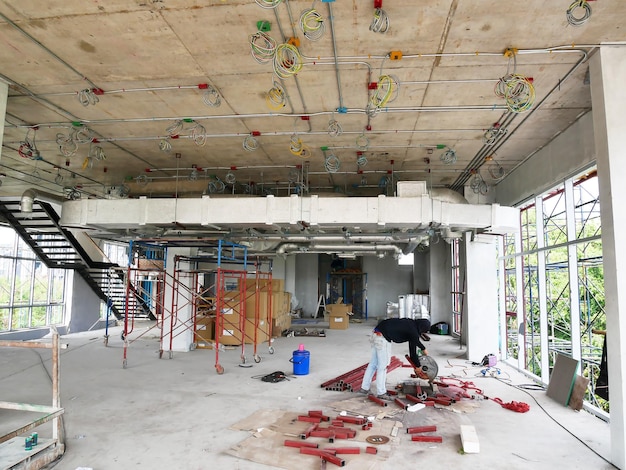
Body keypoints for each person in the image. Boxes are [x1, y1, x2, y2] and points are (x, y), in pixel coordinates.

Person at [357, 318, 431, 399]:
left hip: (375, 333)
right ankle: (381, 393)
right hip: (383, 338)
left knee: (373, 364)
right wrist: (418, 365)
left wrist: (422, 350)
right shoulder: (413, 332)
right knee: (383, 367)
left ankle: (364, 388)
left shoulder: (410, 323)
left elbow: (413, 345)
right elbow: (413, 352)